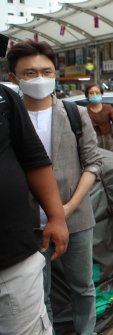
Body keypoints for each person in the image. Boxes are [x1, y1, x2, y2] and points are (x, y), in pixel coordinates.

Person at [9, 40, 103, 335]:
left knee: (83, 287)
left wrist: (64, 210)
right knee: (38, 292)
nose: (39, 78)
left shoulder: (75, 114)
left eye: (46, 71)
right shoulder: (9, 118)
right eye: (29, 73)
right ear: (14, 78)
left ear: (55, 74)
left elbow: (93, 164)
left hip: (75, 217)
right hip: (27, 224)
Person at [0, 83, 69, 335]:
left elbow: (33, 159)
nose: (39, 79)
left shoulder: (4, 98)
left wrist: (57, 216)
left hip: (12, 257)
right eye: (30, 73)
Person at [84, 83, 113, 152]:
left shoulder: (108, 108)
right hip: (90, 140)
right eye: (91, 93)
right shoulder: (84, 110)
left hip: (107, 139)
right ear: (87, 96)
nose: (94, 95)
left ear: (101, 94)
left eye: (97, 92)